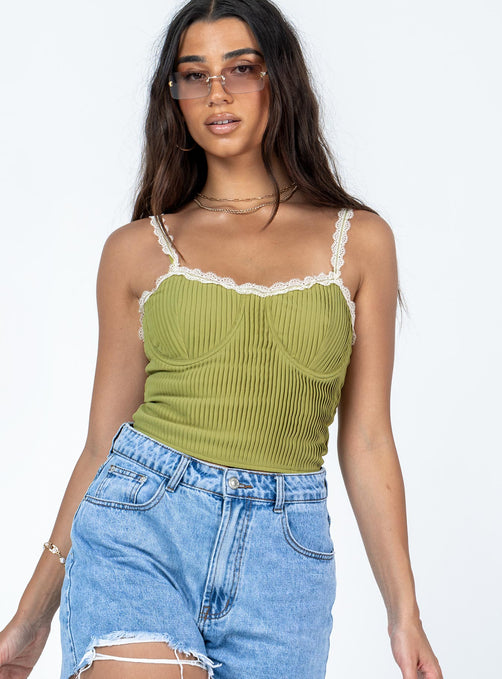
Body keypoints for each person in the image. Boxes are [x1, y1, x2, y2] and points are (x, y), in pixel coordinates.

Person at [0, 1, 443, 678]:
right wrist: (31, 618)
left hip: (285, 561)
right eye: (194, 74)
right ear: (174, 96)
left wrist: (404, 613)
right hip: (141, 524)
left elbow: (367, 439)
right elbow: (101, 444)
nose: (217, 93)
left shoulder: (361, 243)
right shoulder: (136, 249)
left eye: (240, 69)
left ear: (279, 79)